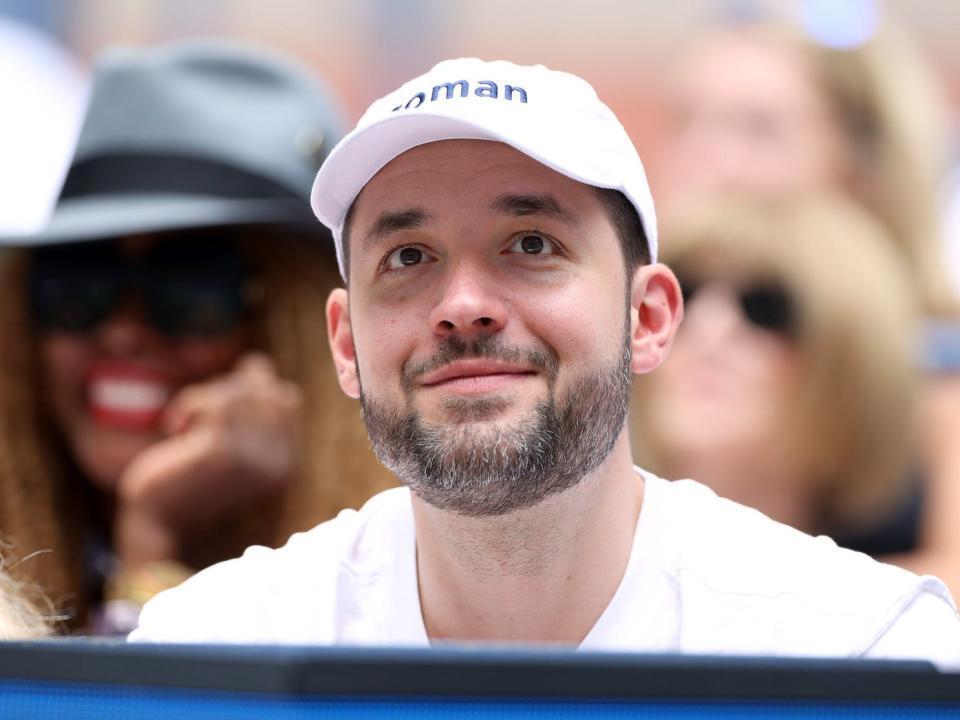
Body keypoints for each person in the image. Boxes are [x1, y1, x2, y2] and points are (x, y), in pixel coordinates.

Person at [131, 58, 960, 669]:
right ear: (347, 344)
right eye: (409, 256)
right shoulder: (213, 653)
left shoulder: (857, 653)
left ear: (647, 316)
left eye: (531, 244)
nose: (462, 304)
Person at [0, 41, 394, 634]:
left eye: (189, 286)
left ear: (306, 332)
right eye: (78, 280)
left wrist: (151, 550)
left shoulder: (406, 586)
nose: (123, 333)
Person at [652, 11, 960, 597]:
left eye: (758, 129)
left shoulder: (942, 376)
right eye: (687, 123)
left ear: (863, 168)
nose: (708, 164)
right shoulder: (637, 335)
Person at [631, 192, 918, 544]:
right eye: (683, 295)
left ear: (851, 359)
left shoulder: (895, 595)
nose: (710, 326)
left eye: (765, 308)